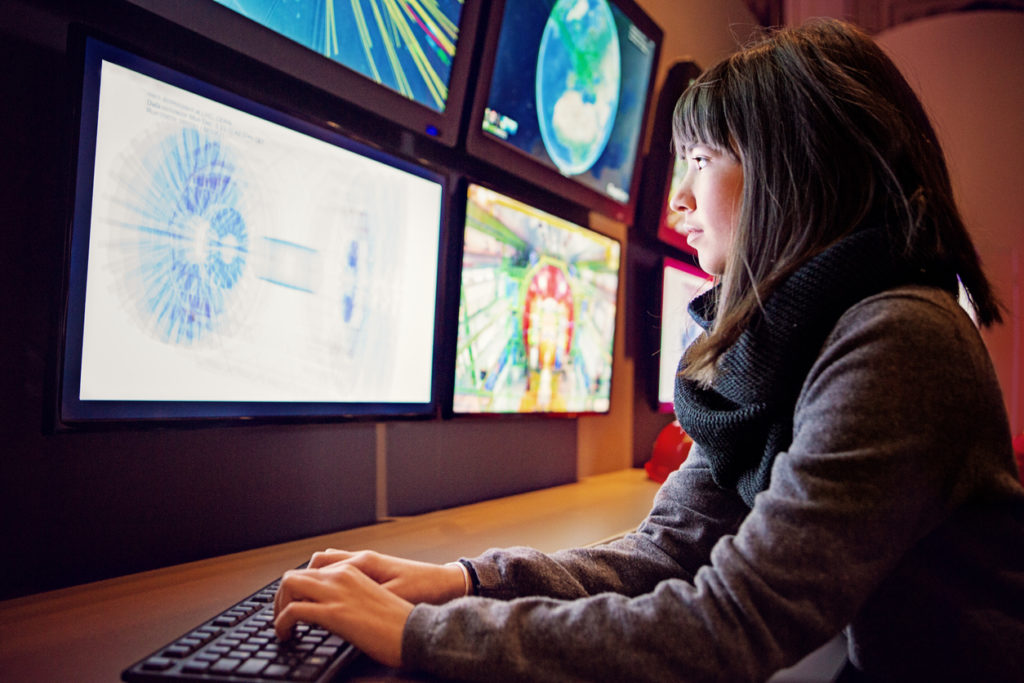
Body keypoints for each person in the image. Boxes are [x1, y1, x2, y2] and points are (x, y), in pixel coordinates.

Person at [273, 19, 1024, 681]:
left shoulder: (898, 340)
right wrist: (463, 581)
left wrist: (418, 633)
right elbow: (671, 549)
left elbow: (729, 624)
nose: (678, 202)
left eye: (700, 160)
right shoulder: (797, 341)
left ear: (793, 170)